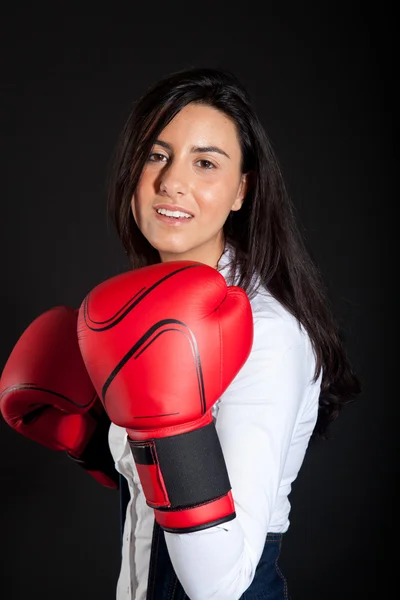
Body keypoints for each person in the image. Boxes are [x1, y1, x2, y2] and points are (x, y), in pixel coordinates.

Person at [0, 66, 361, 600]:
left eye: (205, 163)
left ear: (242, 190)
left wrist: (165, 427)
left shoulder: (268, 335)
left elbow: (218, 583)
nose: (172, 181)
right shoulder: (148, 309)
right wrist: (92, 441)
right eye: (156, 154)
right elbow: (165, 496)